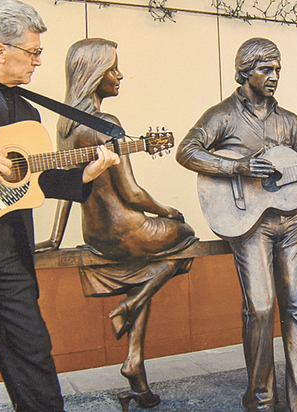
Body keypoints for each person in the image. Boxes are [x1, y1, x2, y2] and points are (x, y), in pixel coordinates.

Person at [0, 2, 119, 411]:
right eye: (32, 52)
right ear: (0, 50)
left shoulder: (28, 111)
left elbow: (34, 179)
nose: (38, 61)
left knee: (34, 360)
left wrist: (83, 176)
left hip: (10, 256)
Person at [35, 38, 197, 412]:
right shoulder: (107, 124)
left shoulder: (65, 125)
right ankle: (135, 302)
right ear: (94, 75)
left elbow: (67, 188)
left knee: (145, 269)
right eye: (112, 68)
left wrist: (54, 238)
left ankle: (134, 363)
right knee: (186, 239)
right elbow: (133, 193)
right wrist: (169, 211)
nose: (119, 75)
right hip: (129, 230)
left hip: (96, 235)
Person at [176, 37, 297, 412]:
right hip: (248, 225)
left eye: (278, 69)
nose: (275, 76)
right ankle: (260, 399)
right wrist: (236, 166)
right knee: (260, 308)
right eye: (266, 69)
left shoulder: (288, 120)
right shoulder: (222, 115)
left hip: (291, 222)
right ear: (245, 73)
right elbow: (187, 150)